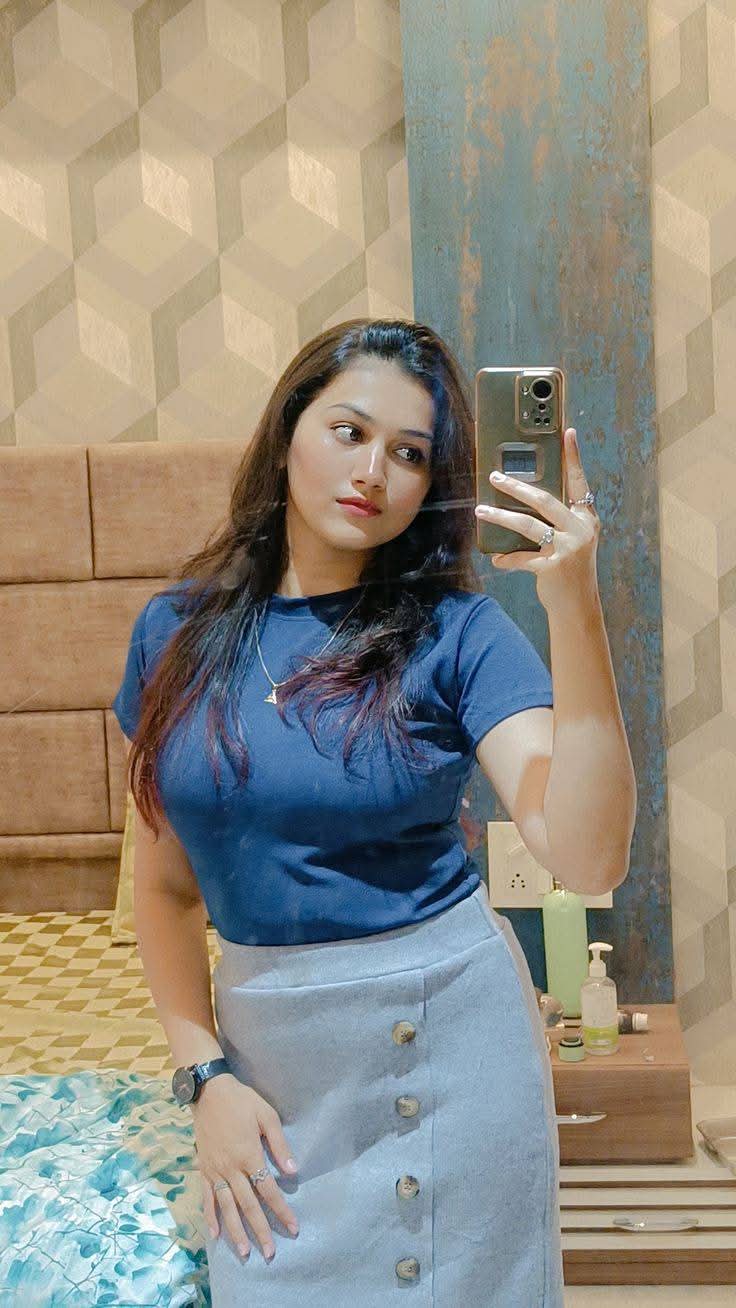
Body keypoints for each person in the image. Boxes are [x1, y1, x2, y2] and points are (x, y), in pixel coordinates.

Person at [112, 318, 575, 1306]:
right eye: (349, 432)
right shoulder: (174, 636)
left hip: (455, 1047)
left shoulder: (460, 634)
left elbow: (577, 843)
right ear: (288, 431)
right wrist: (204, 1077)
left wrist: (575, 602)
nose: (373, 471)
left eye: (409, 454)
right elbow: (164, 889)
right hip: (270, 1071)